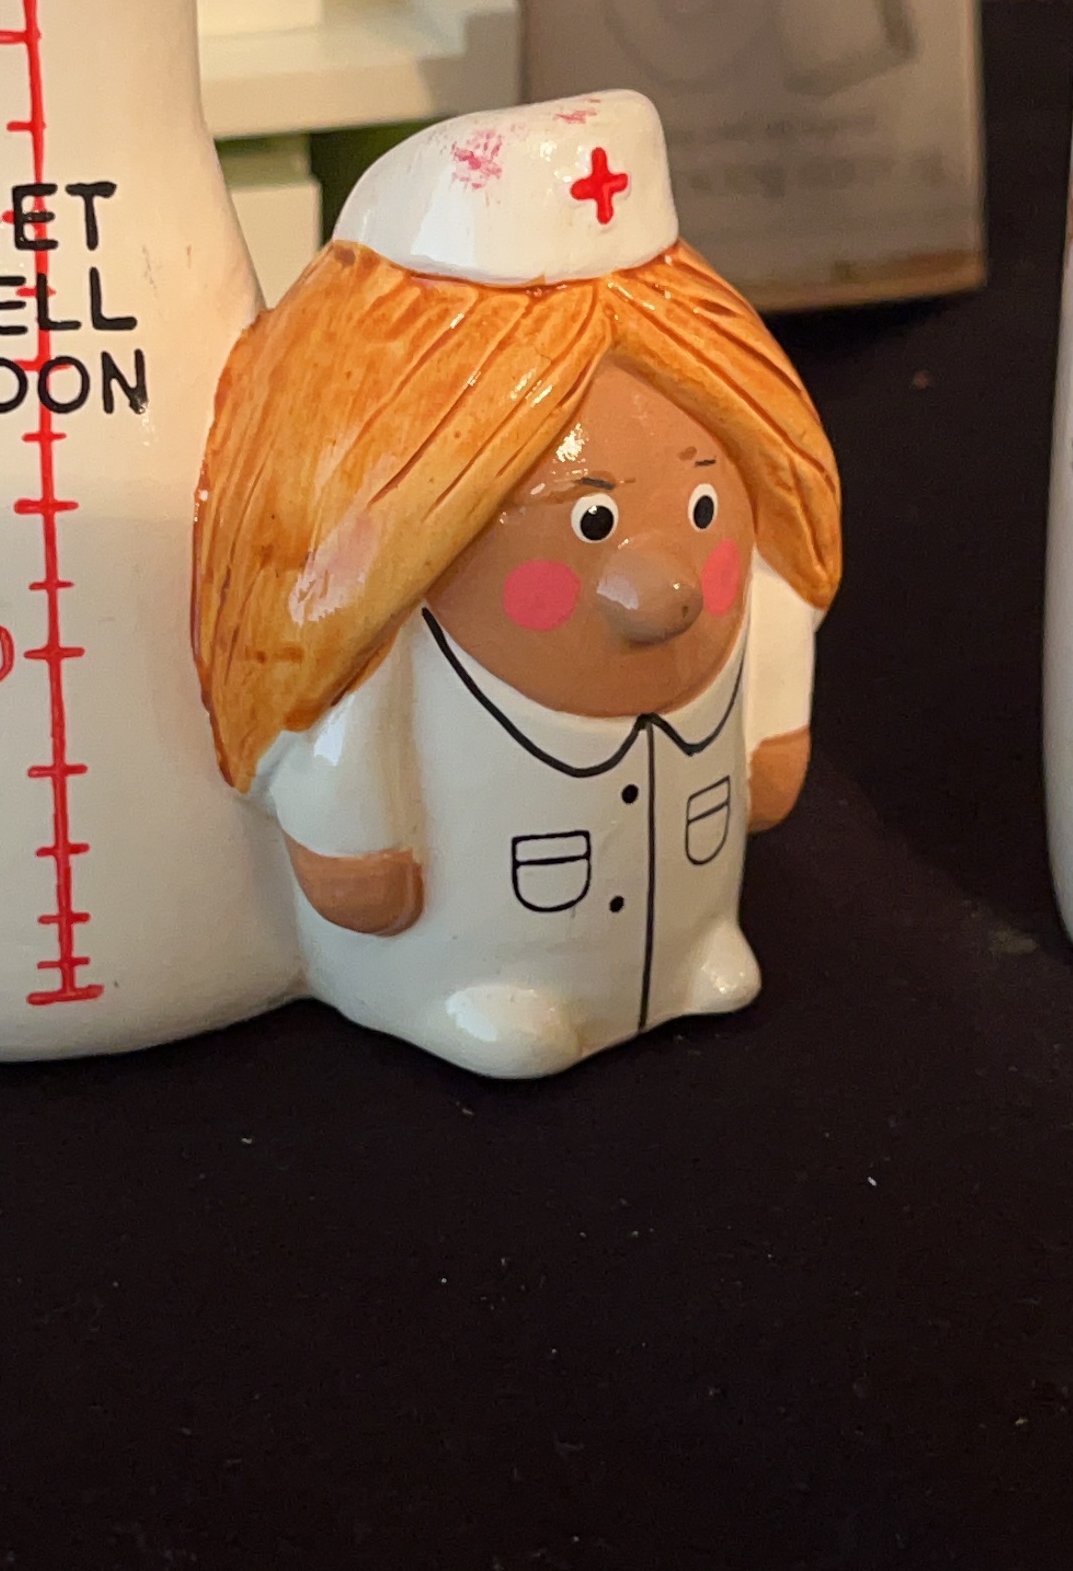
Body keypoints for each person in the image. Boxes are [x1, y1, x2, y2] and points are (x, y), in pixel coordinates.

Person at [192, 92, 842, 1077]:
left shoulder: (737, 557)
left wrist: (774, 730)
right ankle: (476, 985)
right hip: (489, 911)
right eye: (591, 524)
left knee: (692, 872)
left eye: (702, 508)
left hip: (685, 837)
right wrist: (352, 845)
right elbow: (344, 717)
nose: (660, 587)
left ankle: (690, 951)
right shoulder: (381, 614)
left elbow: (779, 598)